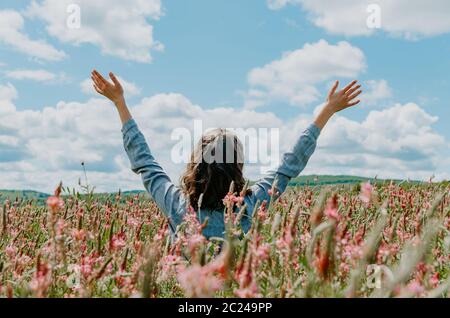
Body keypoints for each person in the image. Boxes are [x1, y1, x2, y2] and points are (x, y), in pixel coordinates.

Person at [91, 70, 362, 239]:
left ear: (195, 164)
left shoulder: (176, 205)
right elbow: (290, 165)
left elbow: (145, 163)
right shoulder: (250, 205)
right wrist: (326, 112)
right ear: (237, 167)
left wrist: (119, 103)